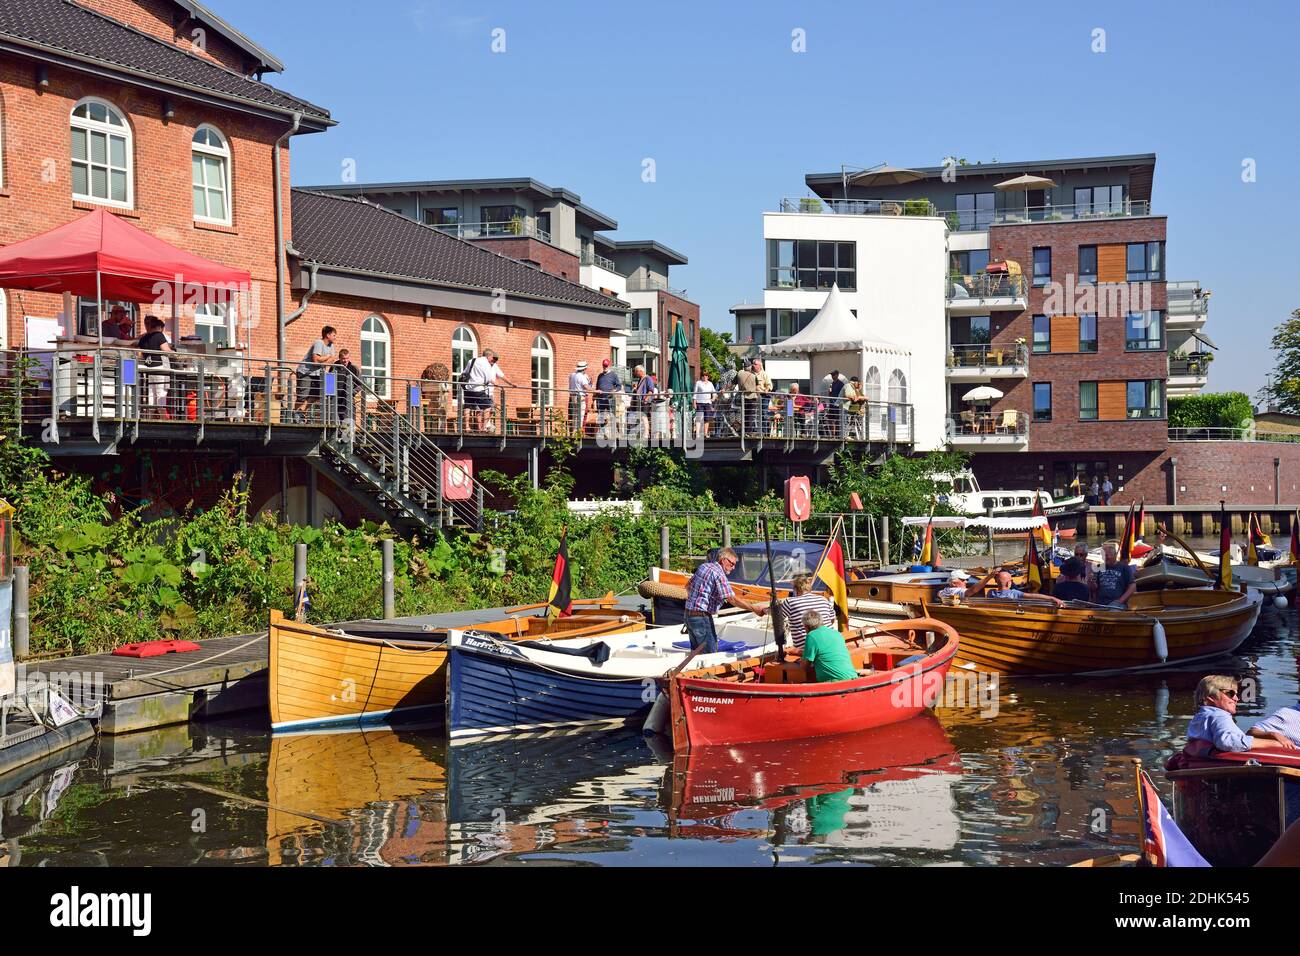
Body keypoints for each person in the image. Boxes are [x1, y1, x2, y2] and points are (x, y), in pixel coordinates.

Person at [683, 547, 768, 653]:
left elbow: (688, 587)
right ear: (723, 560)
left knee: (696, 654)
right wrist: (755, 608)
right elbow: (732, 599)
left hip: (688, 616)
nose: (733, 568)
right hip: (701, 618)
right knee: (710, 654)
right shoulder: (719, 574)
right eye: (732, 564)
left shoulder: (703, 567)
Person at [1187, 676, 1296, 754]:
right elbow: (1227, 742)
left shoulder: (1199, 718)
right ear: (1210, 697)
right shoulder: (1219, 715)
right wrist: (1274, 744)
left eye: (1236, 694)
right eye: (1230, 693)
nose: (1236, 698)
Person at [778, 574, 835, 648]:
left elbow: (777, 618)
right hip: (830, 643)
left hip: (806, 648)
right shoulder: (823, 599)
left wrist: (764, 610)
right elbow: (832, 620)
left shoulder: (790, 602)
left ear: (795, 589)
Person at [294, 325, 337, 422]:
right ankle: (294, 416)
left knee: (317, 394)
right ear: (328, 335)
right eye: (334, 335)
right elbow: (315, 361)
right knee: (302, 396)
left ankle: (301, 412)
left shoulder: (332, 346)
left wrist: (324, 359)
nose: (335, 337)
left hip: (317, 373)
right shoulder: (319, 343)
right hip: (306, 372)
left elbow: (332, 359)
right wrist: (327, 356)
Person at [464, 349, 513, 432]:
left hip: (468, 388)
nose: (492, 360)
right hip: (478, 389)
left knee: (467, 407)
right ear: (489, 356)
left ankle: (467, 427)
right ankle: (483, 428)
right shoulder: (485, 363)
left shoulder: (472, 360)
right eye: (492, 357)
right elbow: (488, 378)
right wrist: (495, 383)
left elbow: (465, 372)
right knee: (487, 407)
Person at [802, 611, 858, 683]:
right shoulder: (836, 633)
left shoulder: (811, 635)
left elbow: (804, 667)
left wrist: (802, 659)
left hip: (834, 682)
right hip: (852, 677)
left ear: (806, 627)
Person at [136, 316, 174, 417]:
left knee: (151, 393)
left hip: (148, 367)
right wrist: (174, 352)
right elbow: (165, 349)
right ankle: (162, 416)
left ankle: (150, 415)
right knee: (161, 393)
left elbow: (139, 354)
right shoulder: (159, 335)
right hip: (159, 366)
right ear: (158, 327)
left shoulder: (143, 338)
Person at [970, 568, 1064, 606]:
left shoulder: (991, 593)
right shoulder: (1014, 593)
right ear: (1008, 583)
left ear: (995, 581)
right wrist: (1052, 598)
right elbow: (1033, 596)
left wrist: (990, 576)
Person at [1093, 541, 1136, 607]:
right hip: (1100, 603)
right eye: (1103, 556)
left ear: (1114, 556)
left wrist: (1120, 601)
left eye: (1107, 556)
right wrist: (1091, 583)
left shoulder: (1124, 568)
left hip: (1117, 603)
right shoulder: (1099, 567)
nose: (1105, 558)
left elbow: (1133, 587)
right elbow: (1094, 588)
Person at [594, 358, 621, 440]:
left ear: (609, 366)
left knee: (612, 416)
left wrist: (614, 390)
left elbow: (619, 386)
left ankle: (614, 433)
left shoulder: (613, 375)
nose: (605, 367)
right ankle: (603, 434)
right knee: (601, 416)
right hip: (601, 399)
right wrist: (594, 395)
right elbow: (597, 386)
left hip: (609, 398)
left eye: (606, 366)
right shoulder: (600, 375)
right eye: (604, 366)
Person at [335, 348, 360, 433]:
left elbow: (360, 384)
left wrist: (352, 392)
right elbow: (329, 381)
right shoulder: (334, 368)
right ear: (339, 358)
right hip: (336, 400)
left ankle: (348, 441)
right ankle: (338, 439)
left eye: (347, 358)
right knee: (337, 423)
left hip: (348, 400)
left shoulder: (354, 369)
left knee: (348, 421)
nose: (345, 361)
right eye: (343, 358)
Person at [631, 364, 657, 439]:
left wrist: (645, 399)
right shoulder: (640, 379)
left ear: (641, 371)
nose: (635, 373)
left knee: (644, 416)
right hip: (640, 402)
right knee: (640, 417)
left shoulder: (648, 378)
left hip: (645, 402)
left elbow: (651, 390)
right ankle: (642, 432)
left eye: (636, 371)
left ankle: (646, 433)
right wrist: (636, 389)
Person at [567, 360, 593, 435]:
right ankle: (578, 432)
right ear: (584, 369)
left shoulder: (572, 375)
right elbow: (586, 386)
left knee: (575, 415)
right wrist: (595, 390)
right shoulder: (582, 376)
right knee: (580, 416)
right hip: (580, 397)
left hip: (572, 396)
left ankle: (574, 432)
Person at [693, 368, 716, 439]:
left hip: (708, 403)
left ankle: (705, 434)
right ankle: (697, 434)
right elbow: (695, 393)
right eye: (703, 375)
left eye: (706, 375)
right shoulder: (698, 383)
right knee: (699, 419)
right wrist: (694, 403)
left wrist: (713, 399)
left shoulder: (710, 384)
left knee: (707, 419)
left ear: (708, 376)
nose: (704, 377)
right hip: (699, 403)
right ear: (701, 376)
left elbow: (714, 393)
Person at [826, 369, 845, 438]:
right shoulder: (832, 383)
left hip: (837, 404)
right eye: (831, 375)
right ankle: (833, 435)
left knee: (837, 419)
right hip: (832, 404)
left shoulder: (841, 384)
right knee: (830, 419)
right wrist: (829, 392)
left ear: (837, 375)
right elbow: (830, 394)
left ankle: (837, 435)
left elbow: (842, 394)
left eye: (833, 375)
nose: (832, 376)